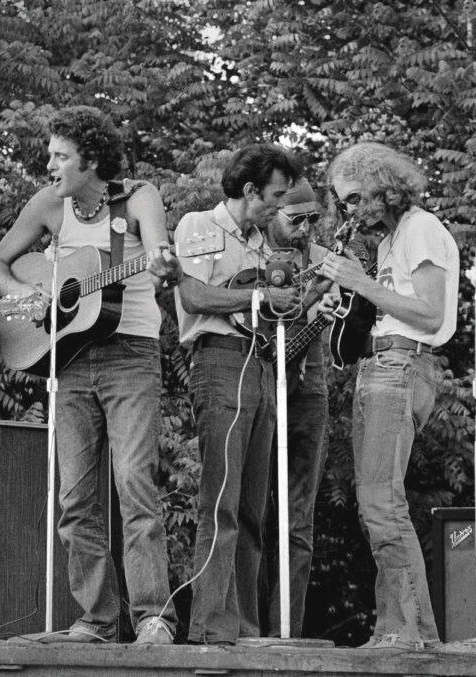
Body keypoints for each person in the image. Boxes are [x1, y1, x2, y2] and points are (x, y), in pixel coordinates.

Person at [0, 105, 181, 644]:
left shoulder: (137, 196)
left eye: (59, 156)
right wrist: (25, 294)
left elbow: (161, 249)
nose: (48, 164)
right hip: (67, 358)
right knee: (74, 498)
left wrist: (166, 261)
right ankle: (98, 618)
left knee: (135, 485)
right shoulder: (49, 204)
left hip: (131, 353)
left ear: (90, 159)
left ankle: (152, 618)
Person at [318, 142, 458, 649]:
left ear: (382, 186)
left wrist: (358, 281)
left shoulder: (420, 227)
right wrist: (351, 311)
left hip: (402, 366)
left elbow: (429, 313)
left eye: (355, 198)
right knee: (375, 503)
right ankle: (395, 629)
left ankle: (411, 631)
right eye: (344, 202)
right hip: (382, 364)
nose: (350, 210)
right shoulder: (391, 240)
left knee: (382, 504)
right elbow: (391, 306)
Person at [174, 144, 301, 645]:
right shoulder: (197, 225)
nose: (278, 206)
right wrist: (261, 295)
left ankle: (244, 627)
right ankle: (210, 627)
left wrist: (295, 297)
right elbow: (195, 295)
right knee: (221, 501)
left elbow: (272, 307)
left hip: (263, 364)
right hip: (220, 361)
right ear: (249, 190)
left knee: (253, 507)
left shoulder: (262, 240)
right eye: (274, 196)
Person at [258, 178, 332, 637]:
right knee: (251, 513)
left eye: (313, 219)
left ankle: (288, 634)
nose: (306, 229)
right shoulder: (250, 254)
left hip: (309, 388)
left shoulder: (326, 261)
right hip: (259, 382)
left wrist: (335, 308)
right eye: (296, 219)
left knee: (298, 519)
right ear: (270, 213)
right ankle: (248, 630)